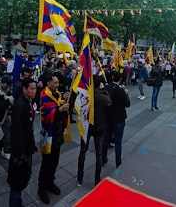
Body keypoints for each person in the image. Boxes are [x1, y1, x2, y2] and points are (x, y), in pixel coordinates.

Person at [37, 73, 71, 204]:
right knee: (46, 163)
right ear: (48, 83)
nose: (57, 85)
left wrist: (66, 100)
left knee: (55, 161)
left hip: (58, 135)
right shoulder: (44, 95)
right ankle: (42, 188)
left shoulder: (57, 94)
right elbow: (47, 113)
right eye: (55, 83)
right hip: (49, 135)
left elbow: (59, 104)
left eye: (57, 83)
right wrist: (60, 109)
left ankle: (50, 182)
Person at [76, 75, 112, 187]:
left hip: (86, 127)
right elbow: (110, 103)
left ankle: (79, 177)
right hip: (99, 128)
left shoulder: (84, 96)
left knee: (82, 152)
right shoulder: (102, 97)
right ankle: (97, 179)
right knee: (98, 154)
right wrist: (104, 91)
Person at [7, 79, 38, 207]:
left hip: (26, 149)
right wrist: (20, 154)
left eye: (35, 88)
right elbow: (18, 132)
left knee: (21, 181)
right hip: (19, 153)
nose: (34, 91)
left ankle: (18, 203)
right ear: (24, 89)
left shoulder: (28, 102)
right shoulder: (20, 106)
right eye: (31, 89)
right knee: (16, 184)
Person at [103, 74, 130, 167]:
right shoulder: (120, 90)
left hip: (108, 117)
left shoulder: (106, 88)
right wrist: (126, 94)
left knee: (105, 138)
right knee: (118, 141)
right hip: (119, 118)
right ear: (120, 79)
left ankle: (103, 158)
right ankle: (118, 162)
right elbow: (127, 104)